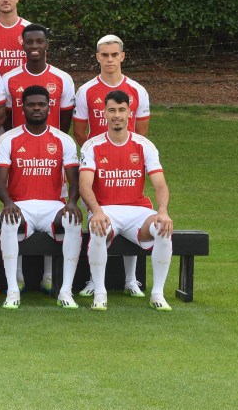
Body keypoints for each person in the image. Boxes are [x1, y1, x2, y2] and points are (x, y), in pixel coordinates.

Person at [79, 90, 173, 311]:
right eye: (112, 110)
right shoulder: (92, 145)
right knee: (99, 228)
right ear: (104, 113)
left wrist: (163, 211)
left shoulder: (144, 145)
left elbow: (160, 184)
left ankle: (157, 294)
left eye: (122, 110)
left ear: (130, 113)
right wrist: (97, 211)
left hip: (137, 210)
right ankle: (100, 293)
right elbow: (84, 185)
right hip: (106, 209)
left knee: (163, 227)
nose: (117, 115)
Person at [73, 34, 151, 298]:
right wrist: (94, 155)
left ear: (122, 56)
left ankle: (132, 280)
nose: (109, 59)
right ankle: (96, 282)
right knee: (97, 224)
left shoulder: (138, 91)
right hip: (96, 167)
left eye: (114, 54)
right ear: (97, 57)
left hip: (126, 166)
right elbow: (80, 131)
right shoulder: (85, 90)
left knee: (131, 214)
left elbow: (141, 132)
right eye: (104, 55)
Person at [0, 85, 82, 309]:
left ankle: (65, 291)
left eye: (41, 105)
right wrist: (8, 203)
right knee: (8, 221)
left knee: (73, 222)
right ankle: (13, 289)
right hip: (20, 206)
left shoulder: (64, 140)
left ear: (49, 107)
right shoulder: (8, 139)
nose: (36, 109)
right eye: (31, 104)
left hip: (53, 207)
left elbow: (75, 180)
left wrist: (71, 202)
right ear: (22, 107)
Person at [1, 24, 75, 132]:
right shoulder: (8, 79)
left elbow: (66, 118)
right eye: (29, 42)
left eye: (39, 41)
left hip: (52, 146)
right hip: (19, 146)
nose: (34, 46)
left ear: (47, 45)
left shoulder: (63, 79)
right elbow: (6, 117)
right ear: (23, 45)